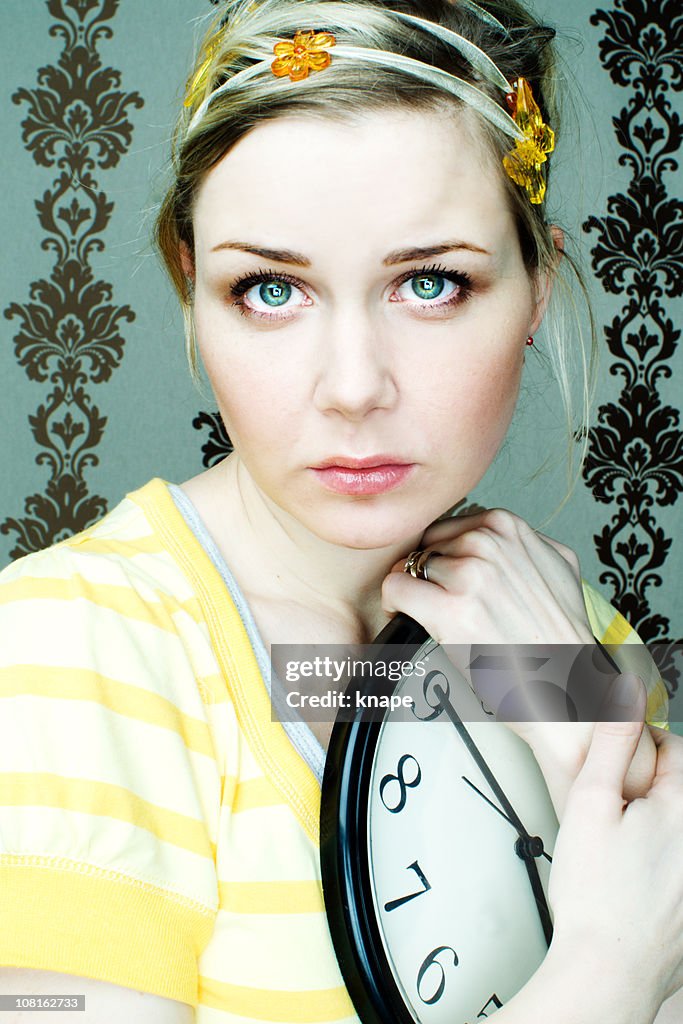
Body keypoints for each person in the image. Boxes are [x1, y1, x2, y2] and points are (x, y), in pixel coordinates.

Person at [0, 0, 681, 1021]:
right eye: (272, 289)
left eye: (431, 283)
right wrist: (604, 972)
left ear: (536, 283)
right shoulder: (70, 647)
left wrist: (584, 715)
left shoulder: (567, 634)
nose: (353, 386)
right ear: (193, 284)